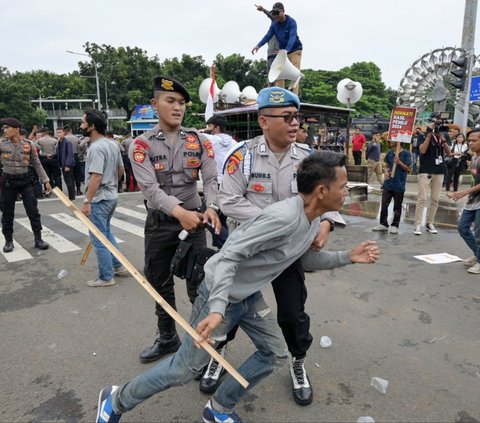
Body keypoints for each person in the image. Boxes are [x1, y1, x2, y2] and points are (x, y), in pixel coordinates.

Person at [94, 151, 380, 423]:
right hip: (218, 294)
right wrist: (217, 308)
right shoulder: (282, 218)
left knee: (275, 353)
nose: (346, 192)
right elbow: (229, 255)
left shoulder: (312, 218)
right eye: (343, 186)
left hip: (247, 296)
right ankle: (115, 399)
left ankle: (219, 407)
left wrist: (347, 258)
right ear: (321, 191)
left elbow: (304, 258)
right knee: (184, 370)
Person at [212, 87, 345, 405]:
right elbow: (228, 201)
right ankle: (218, 353)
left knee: (293, 313)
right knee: (230, 306)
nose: (294, 122)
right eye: (286, 117)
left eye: (296, 116)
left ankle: (297, 361)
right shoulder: (242, 157)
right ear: (263, 121)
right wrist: (274, 225)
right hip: (250, 250)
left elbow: (328, 198)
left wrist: (324, 225)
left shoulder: (309, 158)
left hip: (290, 252)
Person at [129, 75, 221, 364]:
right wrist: (179, 213)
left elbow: (210, 178)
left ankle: (202, 343)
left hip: (195, 221)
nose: (177, 107)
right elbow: (151, 190)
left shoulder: (199, 140)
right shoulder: (140, 145)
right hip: (161, 223)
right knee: (158, 282)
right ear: (156, 104)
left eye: (181, 102)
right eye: (170, 101)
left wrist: (212, 207)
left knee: (198, 284)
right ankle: (167, 337)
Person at [80, 110, 127, 287]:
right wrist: (113, 183)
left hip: (99, 199)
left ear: (92, 126)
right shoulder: (112, 144)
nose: (81, 126)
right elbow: (121, 169)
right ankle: (117, 265)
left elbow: (96, 177)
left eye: (84, 123)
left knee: (98, 238)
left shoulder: (96, 148)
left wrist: (87, 201)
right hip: (111, 196)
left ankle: (106, 277)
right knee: (106, 233)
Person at [0, 118, 51, 252]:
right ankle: (8, 241)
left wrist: (46, 181)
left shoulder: (29, 144)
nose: (4, 130)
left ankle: (38, 239)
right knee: (7, 212)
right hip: (8, 181)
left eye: (7, 127)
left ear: (16, 129)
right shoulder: (1, 144)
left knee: (33, 211)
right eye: (4, 128)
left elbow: (36, 163)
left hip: (25, 181)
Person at [252, 2, 303, 95]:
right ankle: (280, 97)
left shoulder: (291, 22)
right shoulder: (274, 24)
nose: (276, 15)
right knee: (278, 74)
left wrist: (286, 50)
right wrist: (258, 45)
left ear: (283, 11)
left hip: (295, 50)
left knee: (295, 74)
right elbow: (268, 36)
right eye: (274, 13)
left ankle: (294, 96)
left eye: (277, 13)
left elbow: (292, 36)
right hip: (283, 51)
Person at [448, 128, 480, 274]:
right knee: (463, 228)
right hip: (472, 201)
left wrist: (463, 192)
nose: (471, 143)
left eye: (474, 140)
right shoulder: (474, 158)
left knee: (479, 234)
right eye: (469, 141)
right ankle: (477, 255)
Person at [414, 123, 451, 235]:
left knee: (435, 199)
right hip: (426, 170)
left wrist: (443, 139)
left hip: (439, 170)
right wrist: (429, 135)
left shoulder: (444, 135)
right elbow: (422, 150)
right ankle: (418, 224)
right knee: (422, 198)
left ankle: (430, 223)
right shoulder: (423, 135)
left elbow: (448, 153)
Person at [372, 141, 411, 234]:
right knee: (384, 204)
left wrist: (399, 162)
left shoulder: (406, 153)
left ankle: (395, 225)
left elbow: (408, 169)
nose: (390, 142)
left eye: (393, 140)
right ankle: (383, 224)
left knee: (397, 207)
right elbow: (387, 165)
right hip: (388, 183)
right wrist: (386, 171)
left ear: (399, 142)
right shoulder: (390, 152)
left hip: (399, 184)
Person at [255, 4, 280, 80]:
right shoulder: (274, 25)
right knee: (271, 77)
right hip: (270, 54)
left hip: (276, 54)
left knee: (275, 77)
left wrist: (263, 10)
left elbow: (271, 15)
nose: (274, 15)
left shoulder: (279, 22)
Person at [56, 128, 76, 201]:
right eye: (57, 132)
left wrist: (67, 165)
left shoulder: (67, 142)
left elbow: (70, 154)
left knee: (69, 181)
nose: (58, 134)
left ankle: (72, 197)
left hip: (67, 164)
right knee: (67, 180)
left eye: (60, 132)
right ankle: (72, 195)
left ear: (64, 133)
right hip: (62, 164)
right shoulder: (60, 142)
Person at [63, 125, 84, 195]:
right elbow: (83, 146)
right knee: (77, 174)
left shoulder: (63, 139)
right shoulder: (76, 138)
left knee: (69, 175)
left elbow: (57, 148)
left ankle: (72, 191)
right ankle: (78, 190)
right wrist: (80, 154)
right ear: (71, 130)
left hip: (66, 158)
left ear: (65, 131)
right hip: (75, 156)